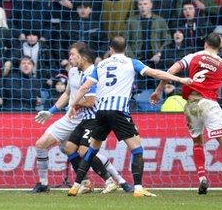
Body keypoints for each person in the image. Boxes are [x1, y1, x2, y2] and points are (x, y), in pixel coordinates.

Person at [67, 36, 192, 197]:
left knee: (92, 149)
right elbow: (155, 73)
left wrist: (73, 106)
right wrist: (180, 78)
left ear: (110, 49)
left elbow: (84, 87)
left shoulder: (101, 65)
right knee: (137, 149)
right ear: (125, 48)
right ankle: (138, 189)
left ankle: (76, 186)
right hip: (119, 111)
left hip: (101, 112)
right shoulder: (131, 62)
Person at [150, 32, 222, 196]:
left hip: (191, 105)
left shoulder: (193, 56)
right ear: (220, 46)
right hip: (209, 104)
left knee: (198, 143)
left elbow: (171, 70)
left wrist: (158, 90)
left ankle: (202, 178)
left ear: (205, 44)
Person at [33, 43, 129, 194]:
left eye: (72, 55)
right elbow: (66, 94)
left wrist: (76, 105)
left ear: (82, 57)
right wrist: (51, 111)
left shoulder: (94, 72)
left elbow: (91, 100)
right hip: (70, 118)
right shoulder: (72, 72)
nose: (69, 58)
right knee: (43, 144)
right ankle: (46, 184)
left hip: (88, 119)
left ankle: (117, 180)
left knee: (86, 152)